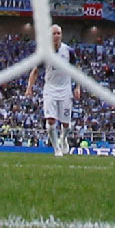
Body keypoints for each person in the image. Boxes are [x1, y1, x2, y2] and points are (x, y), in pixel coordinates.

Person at [24, 24, 81, 157]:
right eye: (54, 34)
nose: (56, 36)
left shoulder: (69, 51)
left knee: (66, 123)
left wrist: (77, 87)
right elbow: (35, 71)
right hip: (50, 89)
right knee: (50, 121)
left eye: (58, 33)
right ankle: (56, 148)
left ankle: (63, 139)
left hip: (66, 90)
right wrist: (29, 88)